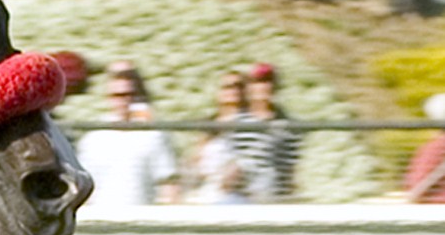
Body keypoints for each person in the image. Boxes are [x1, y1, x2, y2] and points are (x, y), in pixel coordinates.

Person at [73, 59, 177, 207]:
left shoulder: (153, 134)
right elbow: (83, 189)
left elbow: (168, 184)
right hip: (102, 221)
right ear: (109, 98)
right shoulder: (94, 138)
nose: (124, 100)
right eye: (118, 95)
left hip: (143, 221)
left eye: (129, 94)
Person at [232, 60, 299, 202]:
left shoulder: (287, 125)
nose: (263, 87)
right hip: (243, 197)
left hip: (274, 197)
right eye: (257, 82)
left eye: (268, 82)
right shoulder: (238, 122)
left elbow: (290, 168)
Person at [185, 68, 252, 204]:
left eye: (238, 86)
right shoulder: (209, 124)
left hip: (235, 194)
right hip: (206, 192)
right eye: (227, 87)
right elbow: (196, 159)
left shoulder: (250, 124)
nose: (233, 91)